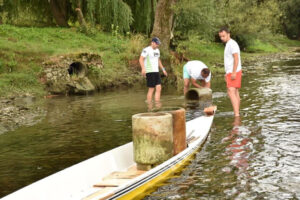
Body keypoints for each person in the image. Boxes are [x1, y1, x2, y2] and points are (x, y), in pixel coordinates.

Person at [219, 27, 242, 117]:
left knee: (231, 91)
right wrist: (227, 73)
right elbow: (229, 60)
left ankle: (236, 115)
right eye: (220, 36)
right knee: (234, 92)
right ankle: (237, 113)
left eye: (223, 36)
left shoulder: (232, 44)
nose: (222, 38)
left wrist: (233, 72)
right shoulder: (228, 44)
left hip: (234, 71)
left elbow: (236, 58)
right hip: (231, 71)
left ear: (229, 34)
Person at [139, 37, 168, 105]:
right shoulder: (146, 50)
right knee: (151, 89)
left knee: (159, 88)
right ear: (152, 43)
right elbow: (140, 59)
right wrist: (143, 68)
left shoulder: (157, 50)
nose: (158, 45)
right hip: (149, 71)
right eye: (156, 44)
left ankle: (157, 105)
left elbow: (158, 60)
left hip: (156, 71)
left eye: (158, 44)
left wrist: (163, 69)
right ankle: (150, 106)